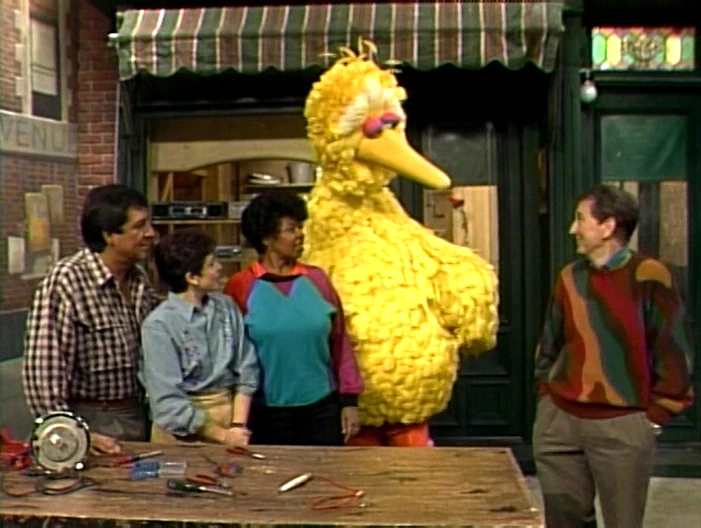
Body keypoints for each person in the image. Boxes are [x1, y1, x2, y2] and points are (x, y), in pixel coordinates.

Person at [533, 184, 694, 528]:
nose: (572, 229)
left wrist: (657, 414)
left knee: (623, 522)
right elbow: (550, 343)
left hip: (622, 423)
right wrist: (546, 394)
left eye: (580, 219)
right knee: (564, 520)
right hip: (559, 419)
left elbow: (673, 349)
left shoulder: (649, 275)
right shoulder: (569, 278)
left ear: (607, 227)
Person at [23, 184, 157, 455]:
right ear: (109, 235)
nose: (150, 233)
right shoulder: (67, 281)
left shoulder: (139, 280)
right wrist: (72, 433)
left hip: (138, 414)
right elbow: (43, 375)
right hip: (92, 421)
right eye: (139, 226)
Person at [223, 189, 363, 446]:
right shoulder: (240, 286)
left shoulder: (318, 280)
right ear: (267, 238)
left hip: (323, 410)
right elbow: (230, 353)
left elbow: (340, 342)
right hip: (265, 414)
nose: (300, 234)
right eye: (291, 229)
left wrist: (349, 402)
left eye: (300, 227)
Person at [140, 230, 258, 446]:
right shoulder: (159, 326)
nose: (220, 268)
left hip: (230, 418)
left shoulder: (226, 307)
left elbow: (247, 367)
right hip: (180, 432)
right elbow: (168, 403)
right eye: (212, 264)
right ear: (192, 277)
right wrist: (221, 435)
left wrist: (237, 426)